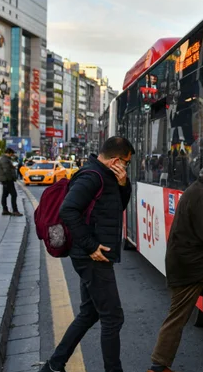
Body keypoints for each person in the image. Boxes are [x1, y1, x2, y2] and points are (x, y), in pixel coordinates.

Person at [40, 136, 134, 372]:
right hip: (91, 256)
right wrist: (91, 246)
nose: (126, 167)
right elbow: (68, 209)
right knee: (113, 317)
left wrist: (124, 185)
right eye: (127, 162)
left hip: (91, 255)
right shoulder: (92, 177)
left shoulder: (106, 176)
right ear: (115, 160)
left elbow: (115, 209)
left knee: (90, 313)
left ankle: (54, 364)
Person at [147, 157, 203, 372]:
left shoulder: (197, 191)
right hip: (196, 264)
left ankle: (158, 366)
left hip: (185, 264)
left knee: (176, 317)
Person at [0, 148, 22, 216]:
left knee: (4, 195)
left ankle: (5, 210)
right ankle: (15, 210)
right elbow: (6, 171)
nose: (12, 155)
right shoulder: (4, 159)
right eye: (12, 153)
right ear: (9, 153)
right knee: (14, 194)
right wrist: (11, 179)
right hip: (7, 180)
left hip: (6, 180)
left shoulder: (4, 159)